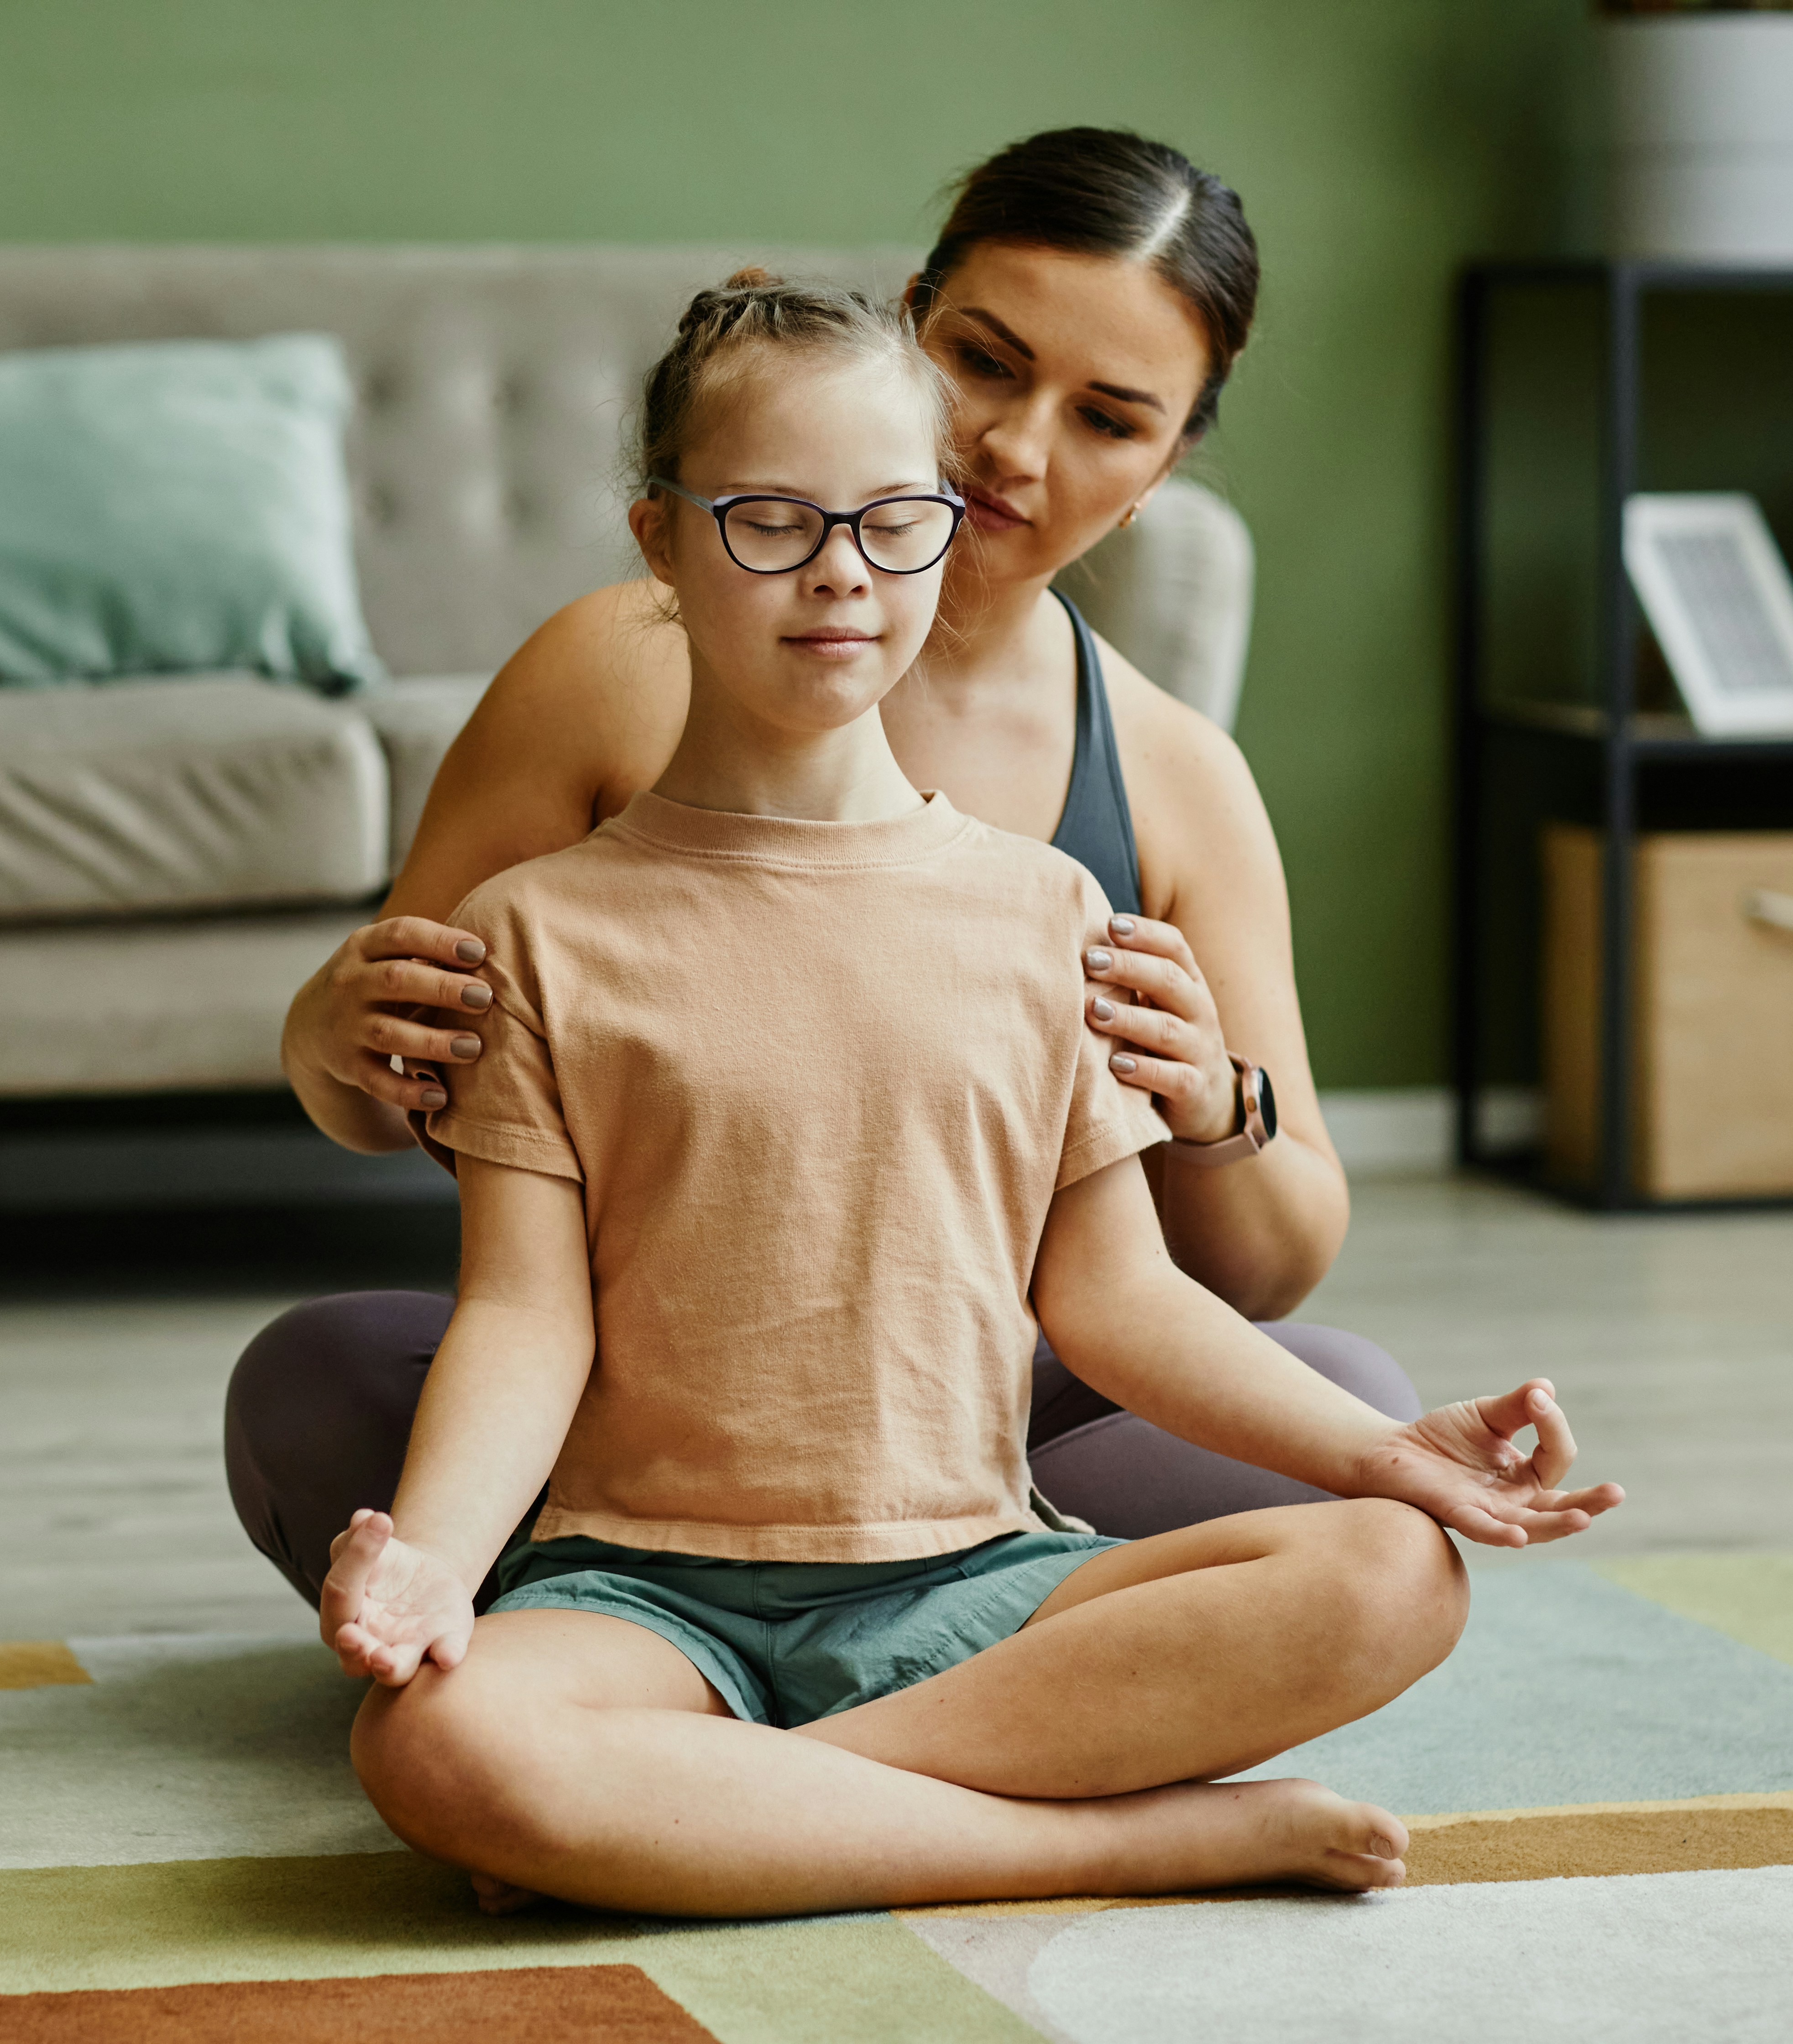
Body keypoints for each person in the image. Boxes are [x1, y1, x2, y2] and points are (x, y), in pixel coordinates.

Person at [321, 271, 1620, 1918]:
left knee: (1392, 1574)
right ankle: (1115, 1841)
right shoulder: (539, 931)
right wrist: (437, 1551)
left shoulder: (1049, 916)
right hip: (641, 1600)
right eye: (771, 523)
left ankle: (718, 1821)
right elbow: (525, 1318)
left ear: (946, 526)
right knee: (434, 1748)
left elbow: (1120, 1300)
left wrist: (1391, 1456)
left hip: (980, 1578)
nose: (842, 578)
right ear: (659, 540)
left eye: (892, 523)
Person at [231, 130, 1411, 1599]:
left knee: (1354, 1399)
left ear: (1167, 462)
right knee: (314, 1382)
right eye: (986, 360)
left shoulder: (1177, 782)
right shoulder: (611, 667)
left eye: (1110, 419)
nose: (1016, 449)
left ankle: (755, 1661)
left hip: (991, 1414)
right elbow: (384, 1080)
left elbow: (1262, 1278)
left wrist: (1212, 1107)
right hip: (642, 1398)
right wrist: (324, 1032)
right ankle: (967, 1659)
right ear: (912, 324)